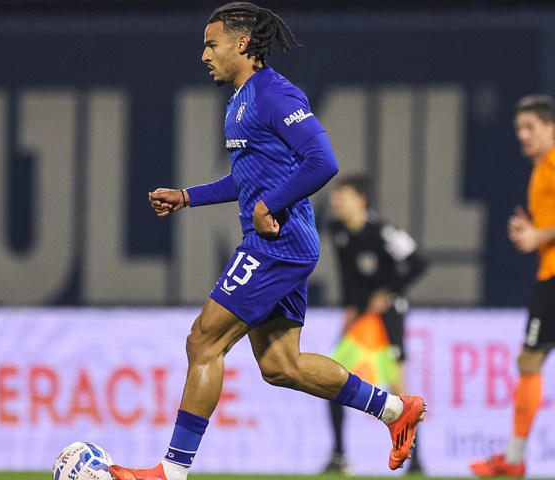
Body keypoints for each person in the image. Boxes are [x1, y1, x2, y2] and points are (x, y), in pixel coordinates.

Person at [109, 4, 426, 480]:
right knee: (281, 365)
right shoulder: (240, 102)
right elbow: (247, 179)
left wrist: (269, 205)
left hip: (278, 244)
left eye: (211, 44)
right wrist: (188, 197)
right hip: (281, 243)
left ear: (241, 44)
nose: (204, 55)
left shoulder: (274, 93)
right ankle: (395, 409)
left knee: (203, 340)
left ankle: (171, 471)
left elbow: (323, 160)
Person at [470, 95, 555, 478]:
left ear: (550, 128)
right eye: (519, 128)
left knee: (530, 361)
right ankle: (514, 457)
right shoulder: (540, 169)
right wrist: (533, 232)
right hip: (547, 277)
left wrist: (539, 234)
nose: (522, 134)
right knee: (529, 362)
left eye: (530, 127)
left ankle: (515, 458)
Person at [322, 174, 428, 475]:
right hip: (361, 318)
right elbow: (348, 278)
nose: (335, 203)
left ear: (361, 200)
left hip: (388, 315)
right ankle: (339, 454)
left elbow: (419, 261)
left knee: (398, 387)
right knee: (332, 379)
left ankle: (416, 459)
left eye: (342, 197)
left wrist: (389, 292)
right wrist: (349, 312)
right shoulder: (337, 230)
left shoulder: (382, 232)